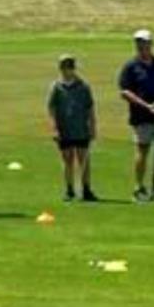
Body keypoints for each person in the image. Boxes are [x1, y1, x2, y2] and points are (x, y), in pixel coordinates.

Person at [118, 26, 154, 201]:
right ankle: (139, 187)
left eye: (144, 43)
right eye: (138, 43)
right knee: (142, 151)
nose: (141, 46)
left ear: (151, 44)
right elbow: (124, 91)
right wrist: (146, 106)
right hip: (141, 117)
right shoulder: (130, 66)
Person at [46, 53, 98, 201]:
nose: (67, 70)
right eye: (64, 67)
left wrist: (93, 126)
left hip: (81, 128)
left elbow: (90, 108)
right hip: (64, 129)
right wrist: (54, 128)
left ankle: (86, 188)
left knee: (84, 159)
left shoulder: (83, 86)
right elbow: (51, 108)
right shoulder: (56, 87)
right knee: (67, 159)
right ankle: (69, 189)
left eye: (69, 67)